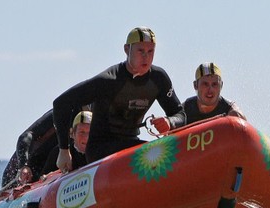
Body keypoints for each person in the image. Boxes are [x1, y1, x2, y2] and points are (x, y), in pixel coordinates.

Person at [52, 26, 186, 173]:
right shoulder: (109, 80)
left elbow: (180, 114)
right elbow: (61, 104)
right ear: (127, 49)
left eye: (150, 51)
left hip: (132, 145)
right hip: (101, 149)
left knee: (167, 156)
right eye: (140, 50)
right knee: (148, 158)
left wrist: (169, 122)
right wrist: (64, 151)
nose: (146, 57)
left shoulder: (158, 79)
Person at [1, 109, 57, 187]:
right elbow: (26, 136)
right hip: (21, 173)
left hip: (46, 174)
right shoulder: (60, 111)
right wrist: (24, 166)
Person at [182, 62, 247, 125]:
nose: (210, 90)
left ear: (221, 85)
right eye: (205, 84)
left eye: (214, 84)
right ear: (195, 85)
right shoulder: (185, 109)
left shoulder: (230, 110)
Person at [40, 110, 91, 175]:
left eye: (90, 132)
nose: (86, 137)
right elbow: (43, 179)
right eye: (82, 132)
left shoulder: (102, 149)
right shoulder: (59, 153)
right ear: (72, 134)